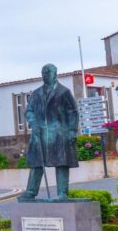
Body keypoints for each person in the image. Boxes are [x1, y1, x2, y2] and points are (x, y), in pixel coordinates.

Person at [19, 63, 78, 201]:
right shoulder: (36, 93)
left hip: (59, 133)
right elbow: (29, 110)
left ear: (54, 74)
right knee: (36, 163)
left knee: (62, 163)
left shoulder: (64, 92)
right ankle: (31, 191)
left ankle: (62, 193)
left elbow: (73, 113)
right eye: (43, 73)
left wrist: (71, 131)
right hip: (40, 133)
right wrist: (33, 122)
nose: (44, 75)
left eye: (47, 73)